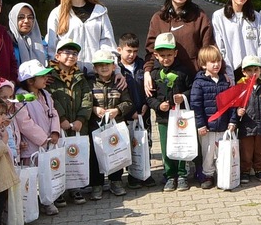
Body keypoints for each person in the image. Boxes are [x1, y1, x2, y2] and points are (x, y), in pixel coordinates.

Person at [47, 39, 95, 203]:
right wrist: (62, 119)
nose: (71, 56)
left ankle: (75, 188)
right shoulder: (49, 76)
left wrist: (81, 118)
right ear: (57, 55)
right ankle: (59, 190)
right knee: (59, 155)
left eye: (74, 53)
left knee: (75, 155)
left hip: (77, 125)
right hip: (59, 125)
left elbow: (87, 97)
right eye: (67, 52)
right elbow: (51, 99)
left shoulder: (79, 75)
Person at [145, 38, 194, 193]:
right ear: (156, 55)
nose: (166, 58)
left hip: (181, 118)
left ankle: (182, 175)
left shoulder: (184, 71)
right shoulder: (153, 74)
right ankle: (169, 175)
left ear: (175, 54)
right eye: (162, 55)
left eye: (169, 55)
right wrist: (158, 106)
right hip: (163, 118)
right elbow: (149, 97)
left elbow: (192, 89)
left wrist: (183, 97)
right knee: (167, 147)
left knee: (181, 144)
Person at [47, 0, 117, 67]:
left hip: (97, 73)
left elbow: (108, 43)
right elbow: (52, 47)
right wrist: (54, 71)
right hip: (69, 75)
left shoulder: (100, 11)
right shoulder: (57, 13)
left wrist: (115, 68)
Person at [87, 47, 133, 197]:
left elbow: (128, 102)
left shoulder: (119, 83)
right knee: (95, 156)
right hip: (96, 127)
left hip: (116, 125)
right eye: (100, 65)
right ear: (94, 68)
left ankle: (116, 181)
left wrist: (117, 110)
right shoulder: (89, 84)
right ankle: (97, 184)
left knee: (115, 151)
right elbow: (84, 103)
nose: (104, 67)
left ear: (114, 66)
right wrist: (94, 109)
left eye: (107, 64)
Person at [188, 46, 236, 188]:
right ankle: (207, 175)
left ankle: (223, 175)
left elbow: (232, 103)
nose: (216, 64)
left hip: (223, 125)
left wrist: (233, 120)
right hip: (207, 127)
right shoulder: (199, 83)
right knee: (208, 153)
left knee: (223, 152)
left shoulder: (225, 81)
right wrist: (200, 124)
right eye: (212, 62)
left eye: (218, 61)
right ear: (204, 64)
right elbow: (195, 105)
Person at [147, 0, 214, 66]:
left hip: (193, 74)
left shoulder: (200, 16)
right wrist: (148, 70)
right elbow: (151, 49)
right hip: (165, 76)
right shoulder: (158, 18)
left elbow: (208, 47)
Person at [211, 0, 261, 76]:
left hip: (253, 72)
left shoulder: (256, 17)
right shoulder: (219, 16)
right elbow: (220, 47)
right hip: (230, 71)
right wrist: (227, 73)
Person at [235, 55, 261, 180]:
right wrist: (238, 111)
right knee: (246, 151)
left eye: (256, 70)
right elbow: (235, 103)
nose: (253, 73)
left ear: (260, 70)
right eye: (249, 70)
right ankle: (245, 171)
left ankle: (260, 170)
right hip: (247, 125)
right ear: (243, 72)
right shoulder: (240, 87)